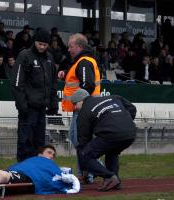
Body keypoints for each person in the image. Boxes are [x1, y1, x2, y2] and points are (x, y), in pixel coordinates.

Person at [71, 89, 136, 191]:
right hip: (130, 133)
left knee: (83, 155)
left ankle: (109, 177)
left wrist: (85, 164)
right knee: (112, 151)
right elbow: (132, 108)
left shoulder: (84, 111)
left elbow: (83, 141)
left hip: (111, 134)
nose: (74, 108)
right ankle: (115, 180)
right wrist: (124, 123)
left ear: (81, 101)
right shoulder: (114, 97)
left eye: (74, 104)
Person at [57, 33, 101, 183]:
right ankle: (86, 172)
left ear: (80, 47)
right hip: (82, 110)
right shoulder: (81, 62)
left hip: (83, 110)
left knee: (79, 141)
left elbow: (87, 84)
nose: (68, 50)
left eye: (71, 46)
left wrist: (80, 102)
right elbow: (80, 80)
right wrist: (65, 75)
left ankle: (93, 170)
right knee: (78, 141)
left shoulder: (83, 61)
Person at [11, 28, 58, 162]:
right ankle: (21, 172)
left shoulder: (50, 58)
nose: (42, 47)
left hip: (42, 108)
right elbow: (16, 82)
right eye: (39, 44)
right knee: (25, 141)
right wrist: (22, 106)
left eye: (45, 44)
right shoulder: (25, 56)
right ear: (34, 42)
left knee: (39, 142)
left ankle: (36, 172)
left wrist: (53, 102)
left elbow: (53, 82)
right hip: (28, 108)